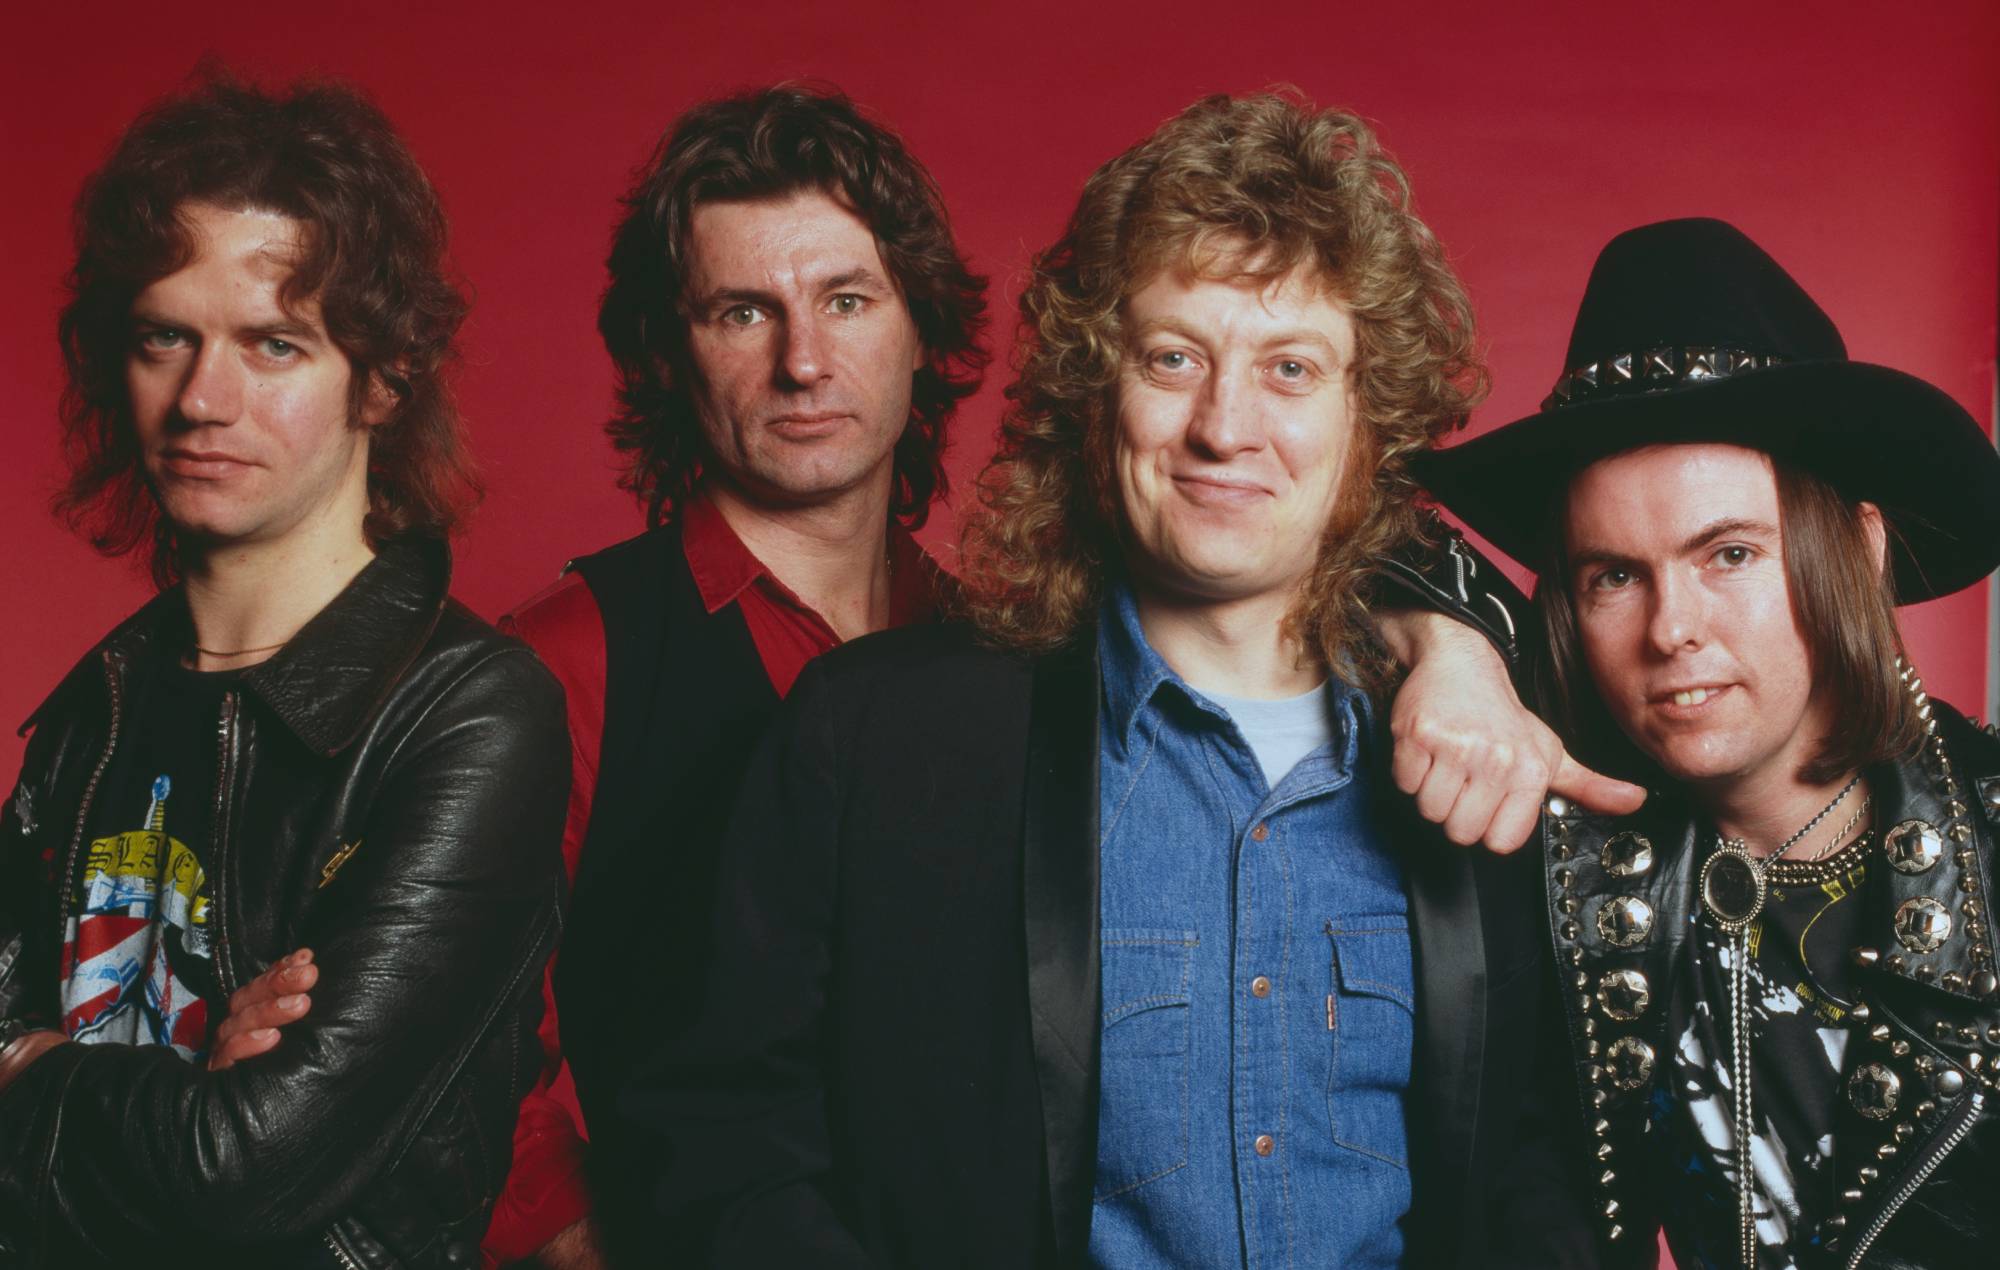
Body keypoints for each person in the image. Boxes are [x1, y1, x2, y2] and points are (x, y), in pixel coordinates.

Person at [623, 91, 1602, 1269]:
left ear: (1366, 420)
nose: (1222, 426)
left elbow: (1529, 1165)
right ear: (1097, 395)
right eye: (1172, 357)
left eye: (1289, 368)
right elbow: (723, 1144)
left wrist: (1453, 645)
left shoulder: (1477, 762)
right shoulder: (876, 736)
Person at [0, 77, 569, 1268]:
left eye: (273, 344)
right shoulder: (100, 704)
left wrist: (33, 1062)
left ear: (382, 377)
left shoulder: (466, 713)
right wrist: (179, 1089)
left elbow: (245, 1167)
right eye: (167, 335)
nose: (204, 399)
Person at [1419, 217, 2000, 1268]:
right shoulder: (1559, 874)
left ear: (1855, 551)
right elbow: (1296, 531)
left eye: (1726, 552)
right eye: (1613, 574)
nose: (1668, 627)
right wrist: (1436, 643)